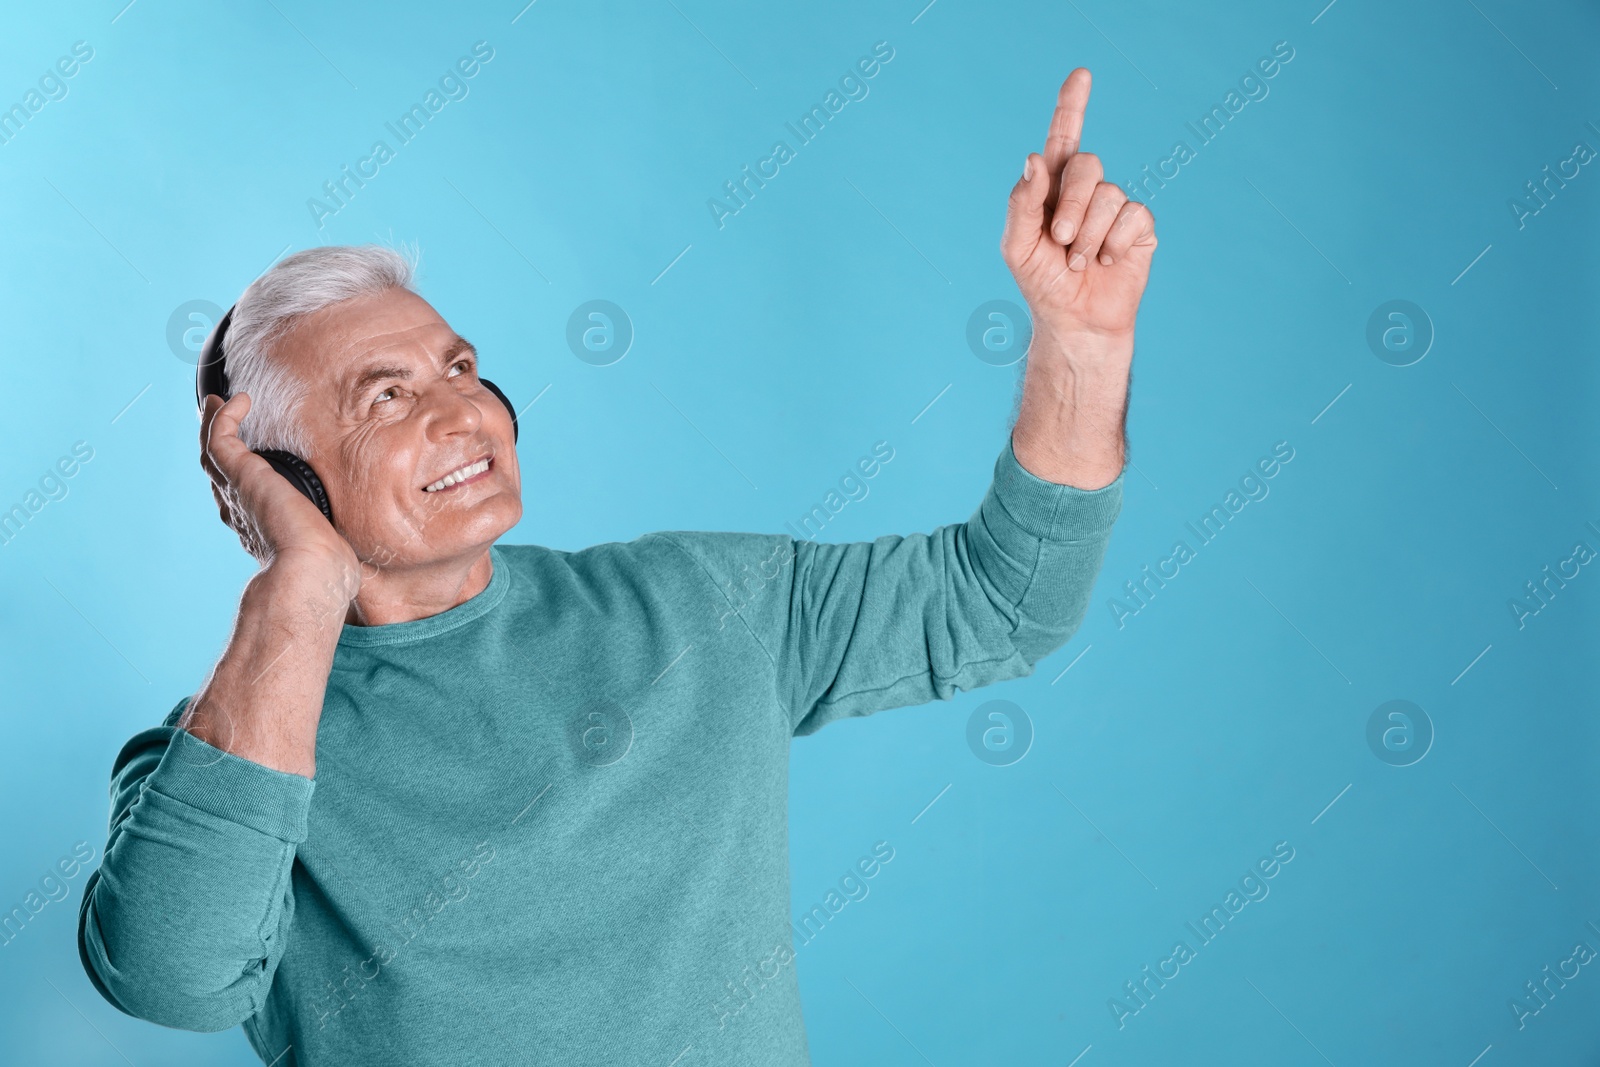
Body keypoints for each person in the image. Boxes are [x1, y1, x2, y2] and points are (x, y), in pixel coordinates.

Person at [77, 67, 1155, 1065]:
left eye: (461, 367)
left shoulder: (702, 602)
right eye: (387, 395)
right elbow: (174, 979)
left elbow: (1004, 604)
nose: (462, 411)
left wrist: (1084, 342)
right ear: (271, 480)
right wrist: (300, 582)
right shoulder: (220, 761)